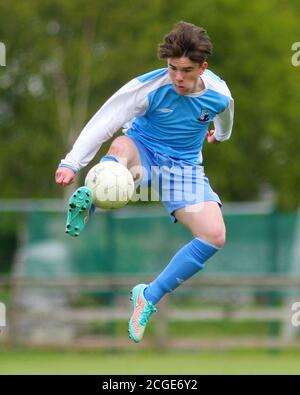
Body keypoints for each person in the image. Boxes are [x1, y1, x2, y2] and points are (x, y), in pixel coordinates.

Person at [55, 21, 234, 343]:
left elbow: (225, 117)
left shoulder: (219, 94)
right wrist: (72, 162)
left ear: (202, 67)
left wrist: (219, 136)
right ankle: (89, 204)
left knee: (214, 236)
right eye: (172, 68)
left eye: (187, 70)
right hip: (144, 150)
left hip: (184, 169)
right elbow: (106, 121)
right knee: (120, 149)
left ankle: (149, 296)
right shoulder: (149, 87)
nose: (178, 77)